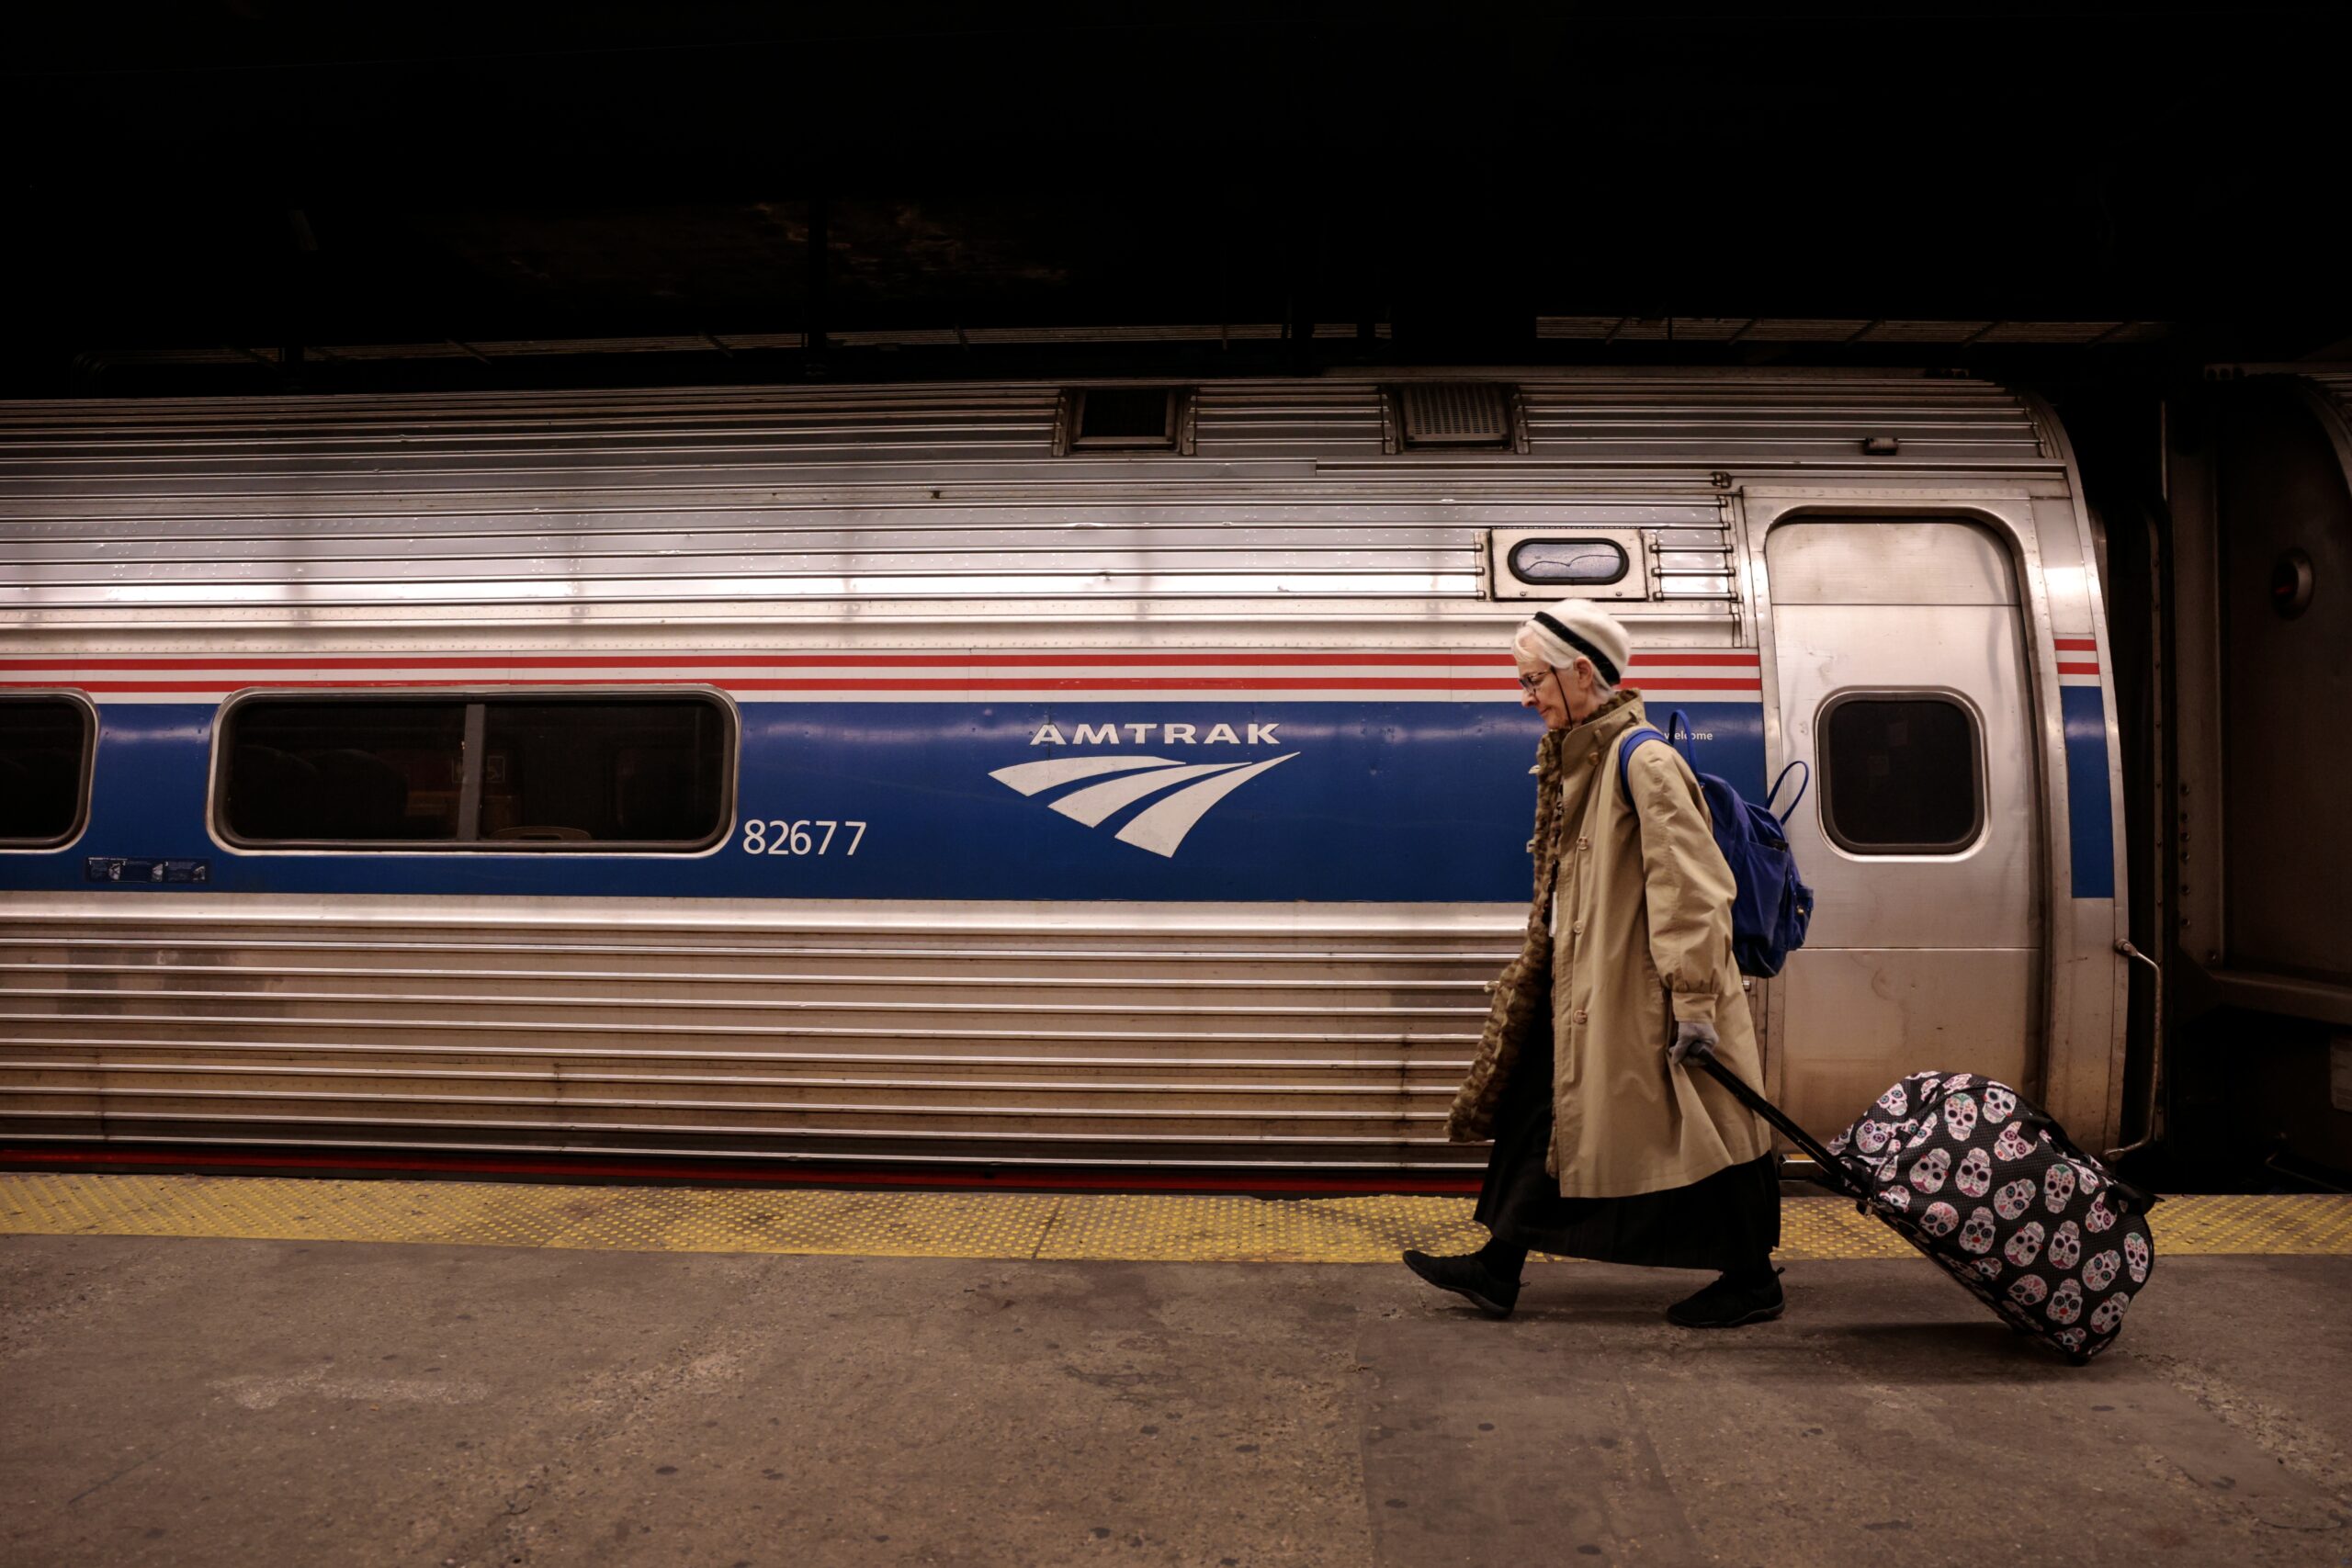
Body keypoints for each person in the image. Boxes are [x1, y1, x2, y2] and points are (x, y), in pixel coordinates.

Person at [1402, 600, 1784, 1327]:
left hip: (1643, 996)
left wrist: (1695, 1003)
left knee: (1707, 1128)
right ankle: (1498, 1264)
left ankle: (1753, 1278)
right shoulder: (1588, 759)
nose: (1526, 696)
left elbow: (1693, 891)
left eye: (1534, 678)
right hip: (1587, 989)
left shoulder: (1643, 760)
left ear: (1581, 672)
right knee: (1541, 1108)